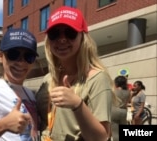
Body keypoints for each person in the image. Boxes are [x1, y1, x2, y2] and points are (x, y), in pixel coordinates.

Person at [35, 6, 116, 141]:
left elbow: (101, 137)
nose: (62, 39)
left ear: (82, 38)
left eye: (70, 32)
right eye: (55, 33)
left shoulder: (96, 78)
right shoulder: (49, 79)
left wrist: (77, 105)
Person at [111, 76, 131, 141]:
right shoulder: (128, 92)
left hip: (114, 111)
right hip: (123, 111)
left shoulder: (113, 91)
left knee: (115, 132)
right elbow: (128, 101)